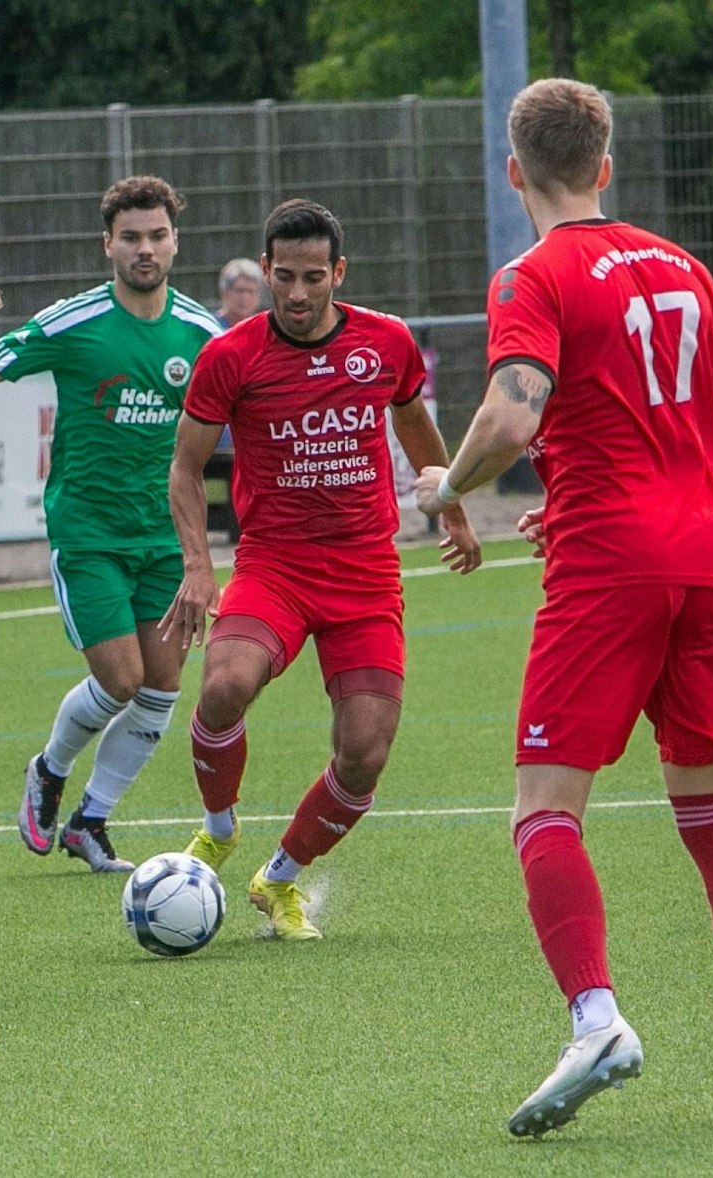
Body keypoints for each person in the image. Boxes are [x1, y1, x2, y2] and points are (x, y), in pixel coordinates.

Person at [411, 79, 713, 1136]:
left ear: (514, 173)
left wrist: (445, 489)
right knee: (712, 817)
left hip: (610, 566)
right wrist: (622, 494)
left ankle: (596, 1018)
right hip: (707, 555)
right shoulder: (683, 265)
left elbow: (507, 416)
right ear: (605, 165)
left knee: (544, 810)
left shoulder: (534, 274)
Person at [161, 199, 481, 941]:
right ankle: (217, 827)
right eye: (284, 277)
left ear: (339, 272)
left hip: (366, 573)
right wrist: (198, 568)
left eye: (313, 278)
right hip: (275, 565)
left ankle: (278, 881)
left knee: (365, 754)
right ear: (265, 271)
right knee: (222, 689)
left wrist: (454, 506)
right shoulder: (231, 356)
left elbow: (412, 422)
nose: (297, 295)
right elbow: (184, 468)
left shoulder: (386, 342)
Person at [0, 176, 221, 873]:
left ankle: (90, 821)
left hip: (165, 540)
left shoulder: (202, 334)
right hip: (89, 533)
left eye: (157, 235)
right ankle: (49, 768)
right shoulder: (73, 320)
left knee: (161, 687)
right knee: (122, 679)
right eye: (131, 237)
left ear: (175, 241)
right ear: (108, 244)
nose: (145, 248)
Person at [215, 257, 265, 328]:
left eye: (250, 291)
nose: (245, 297)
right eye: (239, 291)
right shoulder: (211, 327)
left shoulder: (262, 329)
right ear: (224, 292)